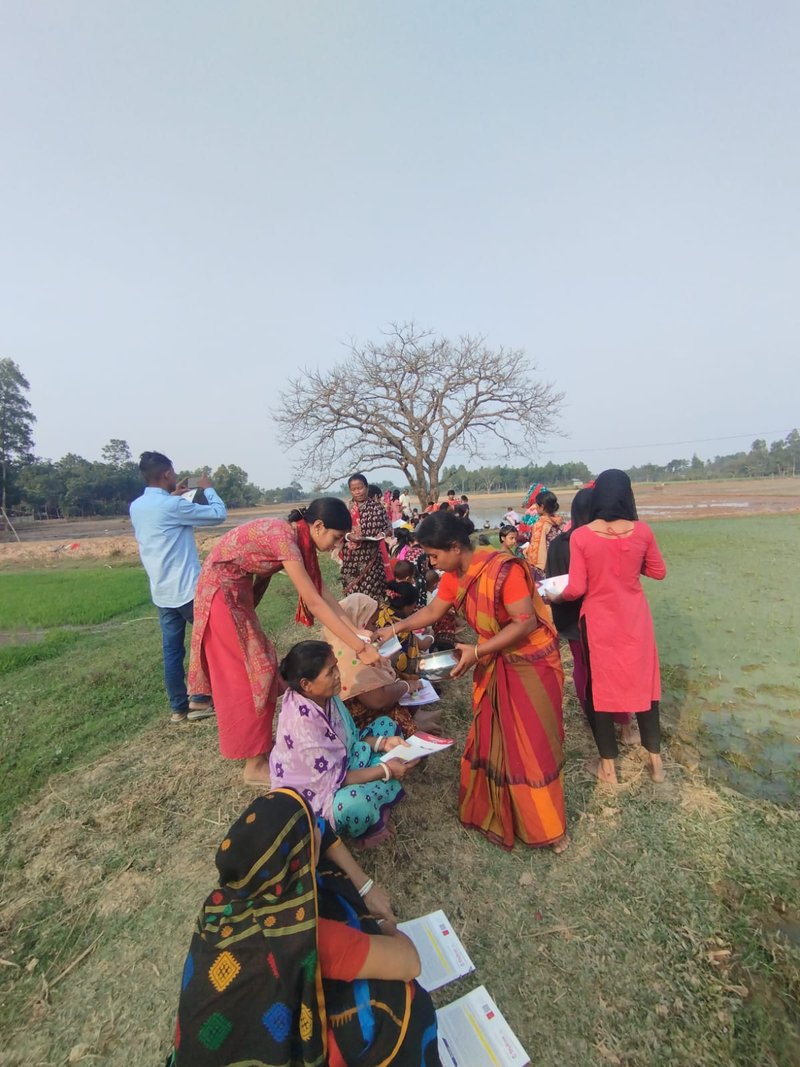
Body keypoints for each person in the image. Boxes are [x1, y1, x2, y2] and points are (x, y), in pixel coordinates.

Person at [166, 789, 441, 1067]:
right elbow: (410, 963)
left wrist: (365, 887)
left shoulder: (218, 907)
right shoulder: (303, 935)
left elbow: (321, 832)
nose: (319, 831)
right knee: (403, 1003)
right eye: (313, 831)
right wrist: (385, 927)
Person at [374, 511, 568, 853]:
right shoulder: (455, 575)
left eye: (434, 555)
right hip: (494, 658)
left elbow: (524, 623)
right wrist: (394, 628)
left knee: (533, 744)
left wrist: (477, 651)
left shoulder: (504, 571)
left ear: (454, 547)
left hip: (530, 663)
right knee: (496, 738)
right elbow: (433, 612)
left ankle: (548, 827)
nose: (431, 563)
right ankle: (499, 811)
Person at [188, 499, 382, 787]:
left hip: (234, 593)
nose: (337, 545)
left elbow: (321, 591)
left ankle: (260, 750)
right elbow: (314, 602)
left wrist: (356, 631)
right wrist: (360, 648)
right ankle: (254, 765)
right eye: (336, 537)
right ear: (318, 526)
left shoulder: (298, 538)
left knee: (261, 669)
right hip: (221, 595)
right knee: (254, 673)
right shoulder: (285, 540)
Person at [553, 470, 667, 784]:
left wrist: (556, 596)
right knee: (646, 686)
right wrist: (633, 562)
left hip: (599, 622)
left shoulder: (582, 536)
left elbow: (576, 588)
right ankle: (657, 767)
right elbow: (658, 572)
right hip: (635, 620)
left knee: (599, 690)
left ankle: (608, 769)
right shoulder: (642, 531)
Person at [269, 641, 415, 842]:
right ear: (306, 685)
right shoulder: (302, 729)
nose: (338, 674)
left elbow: (349, 738)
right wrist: (385, 770)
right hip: (319, 793)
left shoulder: (326, 697)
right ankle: (375, 801)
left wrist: (383, 743)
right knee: (354, 804)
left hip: (344, 763)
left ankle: (380, 781)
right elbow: (334, 781)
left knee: (386, 725)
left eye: (336, 666)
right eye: (330, 672)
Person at [129, 451, 227, 724]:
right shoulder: (172, 506)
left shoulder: (137, 506)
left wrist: (175, 497)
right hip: (188, 590)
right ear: (167, 474)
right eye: (172, 472)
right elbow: (218, 514)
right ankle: (203, 699)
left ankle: (178, 708)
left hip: (162, 592)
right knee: (212, 642)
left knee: (172, 652)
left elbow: (162, 513)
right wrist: (208, 489)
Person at [320, 593, 417, 735]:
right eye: (371, 624)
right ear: (357, 622)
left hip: (364, 710)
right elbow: (378, 700)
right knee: (398, 713)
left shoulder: (340, 645)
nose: (373, 630)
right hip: (359, 723)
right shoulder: (350, 653)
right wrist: (406, 686)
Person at [340, 473, 392, 600]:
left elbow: (389, 528)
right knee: (353, 595)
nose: (357, 492)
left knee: (373, 593)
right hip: (351, 559)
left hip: (372, 557)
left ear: (367, 488)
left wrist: (382, 534)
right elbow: (339, 531)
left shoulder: (377, 508)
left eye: (360, 488)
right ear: (350, 491)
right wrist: (348, 536)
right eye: (354, 489)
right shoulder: (345, 509)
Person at [523, 490, 564, 582]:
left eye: (536, 505)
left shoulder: (540, 525)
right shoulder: (560, 522)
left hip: (547, 566)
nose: (535, 507)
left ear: (542, 507)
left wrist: (526, 551)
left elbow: (536, 554)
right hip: (560, 563)